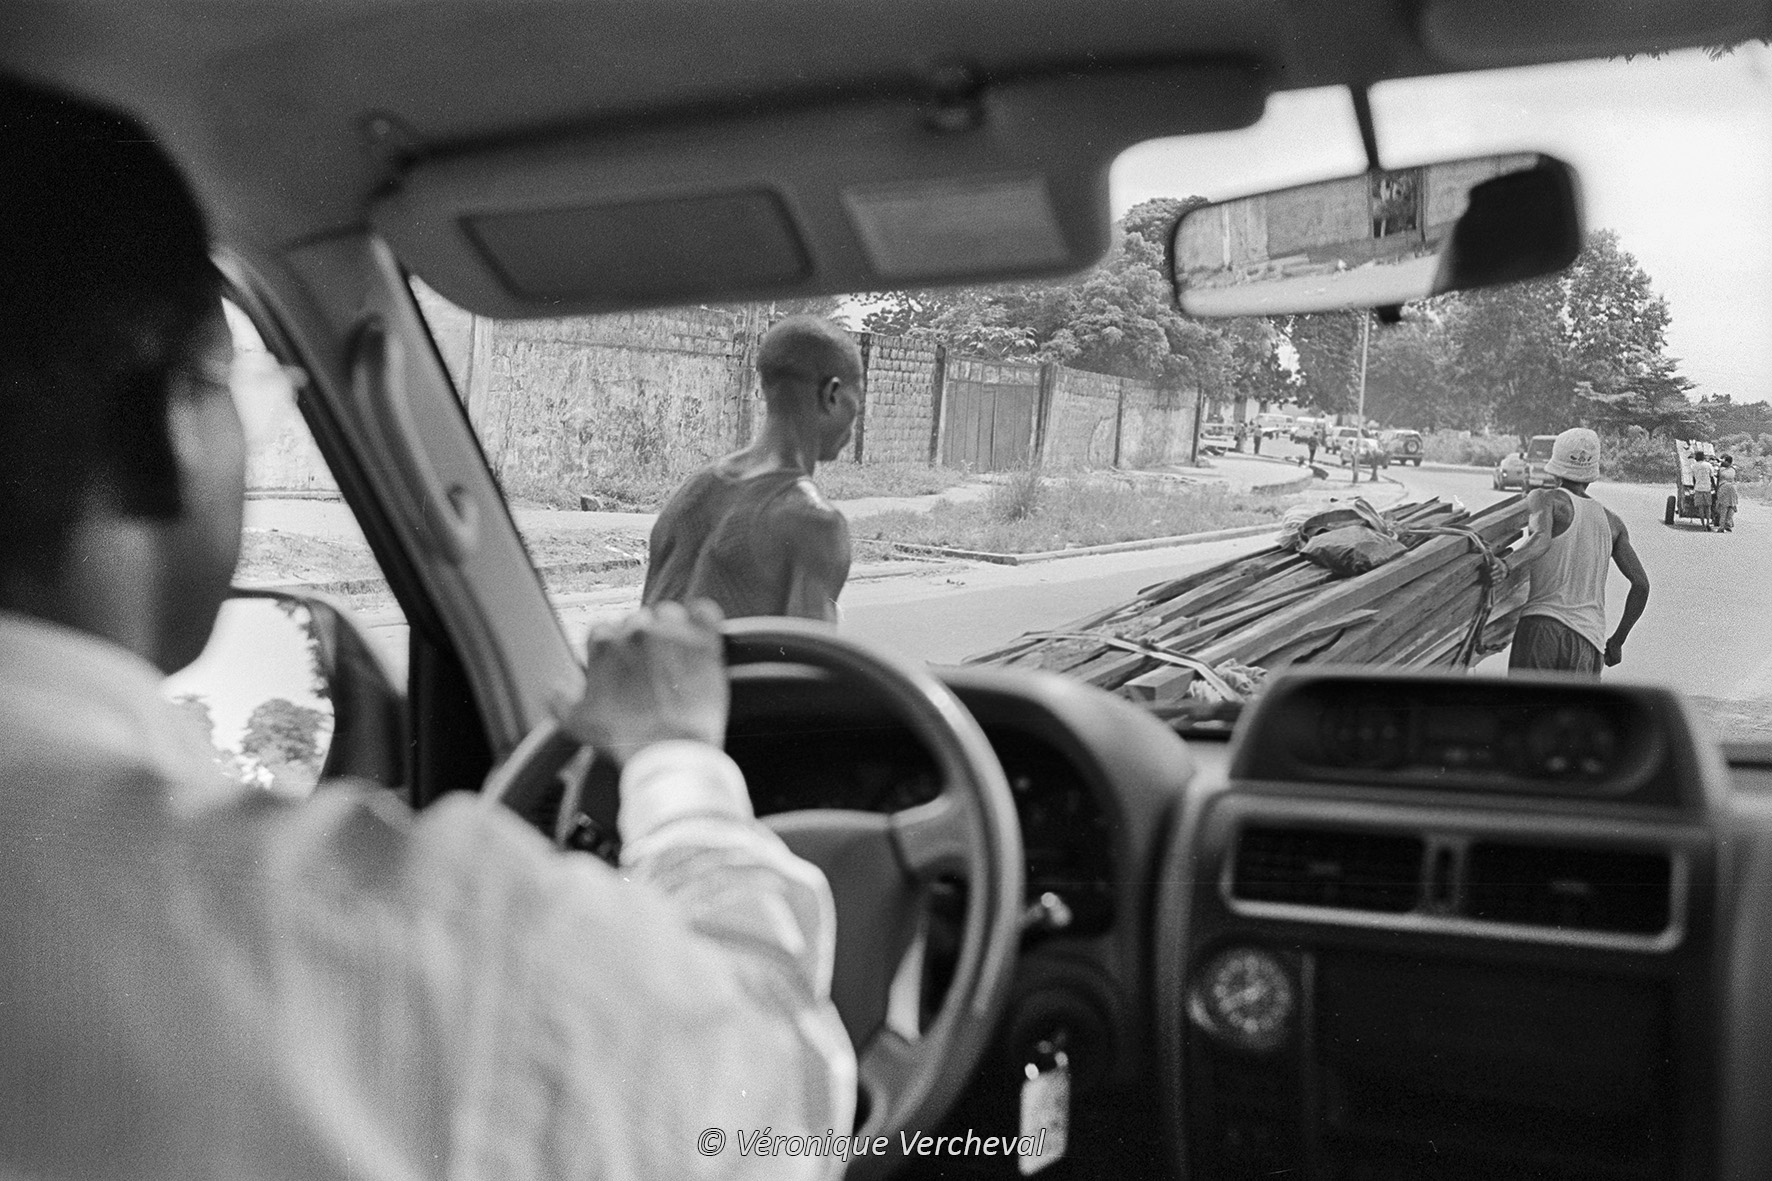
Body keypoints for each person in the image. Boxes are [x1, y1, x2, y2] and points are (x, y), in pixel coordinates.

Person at [0, 78, 852, 1178]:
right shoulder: (415, 954)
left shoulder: (695, 492)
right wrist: (681, 768)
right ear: (170, 427)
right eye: (242, 391)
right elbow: (768, 1110)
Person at [643, 316, 860, 622]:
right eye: (858, 399)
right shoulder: (816, 520)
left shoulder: (693, 490)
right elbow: (807, 650)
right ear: (832, 394)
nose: (856, 417)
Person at [1497, 427, 1650, 677]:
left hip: (1541, 628)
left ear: (1555, 465)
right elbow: (1641, 586)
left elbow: (1540, 539)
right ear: (1591, 473)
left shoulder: (1545, 499)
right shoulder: (1613, 523)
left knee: (1526, 703)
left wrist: (1505, 565)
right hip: (1588, 641)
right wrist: (1617, 641)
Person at [1691, 448, 1716, 531]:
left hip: (1698, 488)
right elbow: (1711, 477)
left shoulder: (1693, 466)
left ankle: (1703, 524)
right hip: (1707, 488)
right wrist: (1714, 487)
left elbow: (1694, 478)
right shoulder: (1708, 465)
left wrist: (1694, 486)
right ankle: (1708, 522)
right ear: (1703, 457)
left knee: (1700, 507)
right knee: (1708, 507)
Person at [1716, 453, 1740, 532]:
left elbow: (1718, 480)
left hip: (1723, 487)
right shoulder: (1733, 470)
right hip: (1733, 488)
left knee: (1723, 507)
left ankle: (1721, 526)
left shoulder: (1721, 469)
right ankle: (1728, 523)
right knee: (1731, 506)